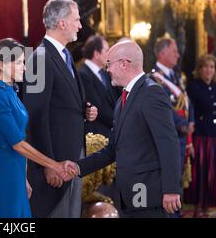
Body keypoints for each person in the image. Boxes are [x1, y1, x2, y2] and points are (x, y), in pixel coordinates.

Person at [67, 40, 182, 218]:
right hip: (128, 195)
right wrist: (76, 167)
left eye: (109, 64)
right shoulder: (122, 100)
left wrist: (172, 189)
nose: (108, 70)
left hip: (146, 193)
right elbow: (112, 149)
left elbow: (168, 143)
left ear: (123, 64)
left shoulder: (152, 93)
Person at [22, 0, 98, 218]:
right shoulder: (40, 58)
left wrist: (84, 110)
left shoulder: (64, 55)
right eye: (76, 20)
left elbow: (62, 102)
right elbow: (35, 117)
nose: (80, 25)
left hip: (72, 156)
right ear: (62, 23)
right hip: (55, 163)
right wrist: (48, 164)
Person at [0, 38, 72, 218]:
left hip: (16, 174)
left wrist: (23, 178)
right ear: (1, 64)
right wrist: (54, 165)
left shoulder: (10, 90)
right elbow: (17, 144)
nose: (24, 67)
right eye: (19, 62)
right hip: (5, 175)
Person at [150, 38, 194, 182]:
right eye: (174, 51)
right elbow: (163, 108)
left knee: (178, 180)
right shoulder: (154, 78)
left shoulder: (175, 76)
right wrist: (182, 124)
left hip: (181, 134)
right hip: (169, 134)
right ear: (163, 53)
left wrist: (191, 120)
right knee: (168, 181)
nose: (178, 55)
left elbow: (186, 100)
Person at [185, 54, 216, 218]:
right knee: (200, 171)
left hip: (213, 135)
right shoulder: (194, 87)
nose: (209, 70)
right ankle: (197, 207)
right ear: (200, 69)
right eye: (206, 66)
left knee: (212, 171)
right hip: (199, 136)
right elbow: (190, 113)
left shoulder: (215, 87)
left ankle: (207, 206)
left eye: (212, 67)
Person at [79, 35, 118, 138]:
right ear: (96, 54)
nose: (109, 55)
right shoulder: (83, 74)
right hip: (97, 135)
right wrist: (119, 122)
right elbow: (98, 108)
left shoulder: (105, 74)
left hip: (110, 131)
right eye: (107, 50)